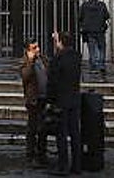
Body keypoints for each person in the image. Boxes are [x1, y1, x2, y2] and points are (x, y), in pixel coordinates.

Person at [47, 31, 82, 176]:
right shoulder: (76, 57)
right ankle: (77, 165)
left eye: (57, 41)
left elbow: (53, 81)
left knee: (61, 134)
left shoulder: (58, 59)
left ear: (60, 42)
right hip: (74, 98)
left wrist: (50, 100)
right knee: (75, 133)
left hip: (62, 100)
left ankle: (63, 166)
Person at [20, 39, 50, 168]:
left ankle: (42, 153)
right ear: (28, 50)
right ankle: (30, 154)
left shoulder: (43, 58)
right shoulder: (25, 62)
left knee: (43, 128)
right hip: (33, 99)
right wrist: (31, 62)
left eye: (38, 46)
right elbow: (25, 76)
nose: (37, 49)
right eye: (34, 48)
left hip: (44, 97)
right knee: (32, 128)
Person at [78, 0, 110, 78]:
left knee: (92, 48)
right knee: (102, 47)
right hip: (100, 29)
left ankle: (94, 66)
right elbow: (107, 16)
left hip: (89, 30)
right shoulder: (102, 5)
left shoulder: (85, 5)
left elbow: (80, 17)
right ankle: (101, 64)